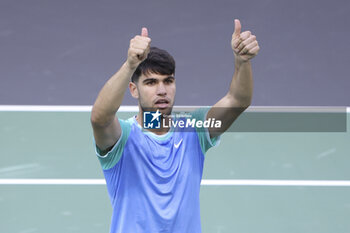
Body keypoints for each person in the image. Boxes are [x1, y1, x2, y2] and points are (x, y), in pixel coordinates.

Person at [90, 19, 259, 233]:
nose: (162, 90)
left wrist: (242, 62)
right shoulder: (122, 138)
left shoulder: (195, 129)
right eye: (151, 83)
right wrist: (130, 64)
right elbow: (100, 118)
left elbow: (237, 101)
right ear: (133, 90)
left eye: (168, 81)